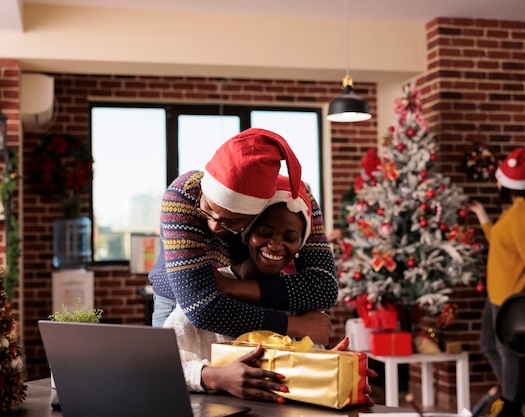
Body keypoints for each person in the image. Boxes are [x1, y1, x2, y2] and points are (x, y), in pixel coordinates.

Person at [164, 176, 374, 404]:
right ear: (245, 233)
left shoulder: (301, 301)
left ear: (300, 246)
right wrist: (212, 377)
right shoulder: (208, 291)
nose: (275, 245)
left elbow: (295, 375)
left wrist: (331, 369)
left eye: (290, 237)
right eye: (264, 232)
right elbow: (161, 367)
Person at [149, 128, 339, 345]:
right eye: (207, 209)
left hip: (246, 300)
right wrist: (294, 326)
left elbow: (324, 287)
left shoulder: (292, 200)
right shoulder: (183, 194)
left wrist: (231, 287)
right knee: (179, 372)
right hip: (176, 304)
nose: (213, 226)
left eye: (232, 222)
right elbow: (200, 307)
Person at [469, 147, 525, 417]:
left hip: (512, 298)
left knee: (506, 350)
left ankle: (512, 404)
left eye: (499, 179)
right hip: (496, 294)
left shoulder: (522, 215)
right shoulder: (514, 211)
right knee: (488, 345)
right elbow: (502, 245)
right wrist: (483, 218)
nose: (496, 183)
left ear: (508, 184)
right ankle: (513, 398)